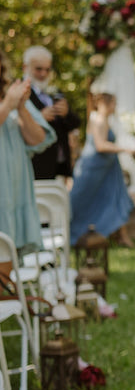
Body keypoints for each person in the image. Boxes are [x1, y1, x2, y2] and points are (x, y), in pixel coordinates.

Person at [0, 51, 55, 254]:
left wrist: (21, 108)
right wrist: (7, 106)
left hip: (14, 191)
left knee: (8, 262)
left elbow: (39, 139)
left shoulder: (10, 91)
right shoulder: (8, 99)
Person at [69, 91, 135, 248]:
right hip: (93, 169)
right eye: (113, 103)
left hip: (107, 168)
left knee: (111, 199)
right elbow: (100, 145)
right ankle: (76, 236)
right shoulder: (98, 120)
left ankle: (116, 236)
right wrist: (126, 149)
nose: (115, 107)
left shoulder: (102, 119)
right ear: (106, 104)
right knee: (83, 202)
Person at [23, 46, 80, 183]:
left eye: (47, 69)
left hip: (59, 165)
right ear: (26, 67)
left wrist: (66, 114)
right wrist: (39, 118)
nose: (43, 74)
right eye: (39, 69)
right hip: (35, 166)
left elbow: (75, 123)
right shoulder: (19, 92)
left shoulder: (55, 93)